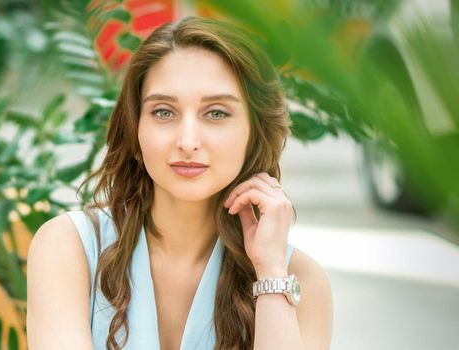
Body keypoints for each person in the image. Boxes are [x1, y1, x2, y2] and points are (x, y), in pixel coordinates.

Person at [27, 16, 333, 350]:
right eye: (163, 112)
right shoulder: (69, 248)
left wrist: (271, 272)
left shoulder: (300, 279)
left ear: (255, 133)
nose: (187, 141)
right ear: (135, 128)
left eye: (216, 113)